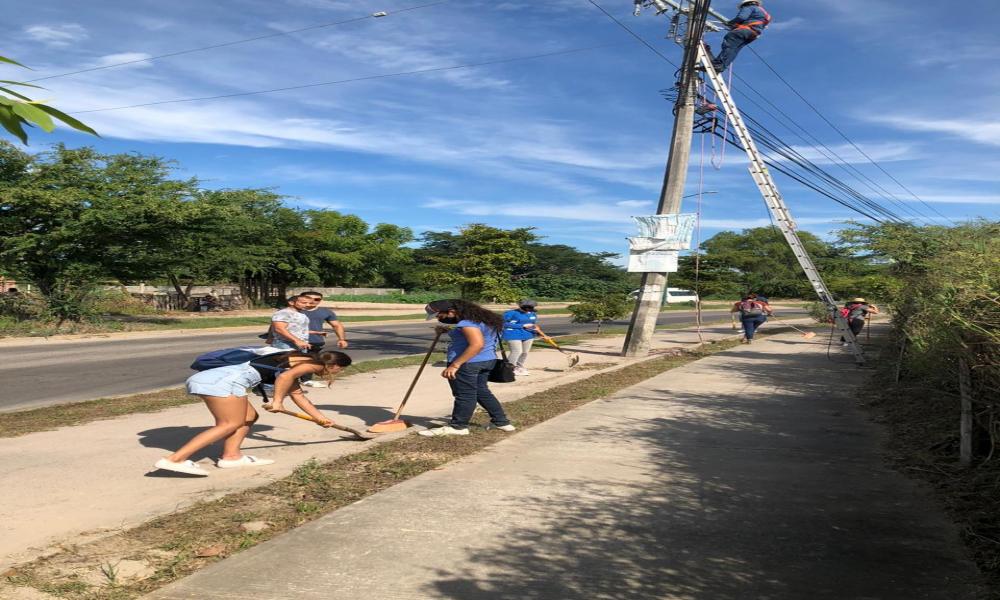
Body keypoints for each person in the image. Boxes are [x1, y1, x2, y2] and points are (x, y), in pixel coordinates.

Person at [154, 350, 352, 476]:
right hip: (223, 382)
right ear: (333, 365)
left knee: (249, 417)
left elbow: (298, 395)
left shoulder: (297, 359)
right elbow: (284, 377)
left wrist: (320, 418)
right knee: (228, 424)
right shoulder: (310, 364)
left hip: (215, 379)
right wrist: (277, 402)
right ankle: (175, 460)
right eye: (340, 370)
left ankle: (231, 457)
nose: (337, 373)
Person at [418, 299, 515, 437]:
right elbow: (481, 336)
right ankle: (502, 422)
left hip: (468, 363)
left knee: (464, 395)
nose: (439, 319)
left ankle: (458, 427)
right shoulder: (485, 319)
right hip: (486, 360)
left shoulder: (467, 323)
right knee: (482, 392)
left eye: (439, 315)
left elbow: (477, 344)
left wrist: (455, 365)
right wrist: (449, 331)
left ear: (451, 311)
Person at [297, 291, 348, 387]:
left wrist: (342, 339)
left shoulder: (325, 311)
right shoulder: (294, 310)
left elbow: (336, 325)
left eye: (317, 299)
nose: (312, 301)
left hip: (315, 341)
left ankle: (306, 380)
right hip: (294, 341)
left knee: (311, 361)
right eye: (309, 298)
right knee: (293, 362)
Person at [711, 0, 771, 74]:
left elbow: (741, 17)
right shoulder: (764, 14)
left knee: (729, 45)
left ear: (745, 4)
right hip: (753, 34)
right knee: (735, 49)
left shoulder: (749, 7)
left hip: (744, 30)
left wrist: (730, 23)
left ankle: (717, 64)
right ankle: (721, 66)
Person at [502, 299, 539, 376]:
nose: (527, 311)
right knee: (517, 351)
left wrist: (536, 330)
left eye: (530, 308)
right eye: (525, 308)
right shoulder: (511, 313)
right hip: (512, 334)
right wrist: (521, 326)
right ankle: (510, 369)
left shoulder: (533, 314)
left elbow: (533, 324)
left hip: (528, 335)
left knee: (525, 352)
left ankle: (519, 367)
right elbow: (503, 323)